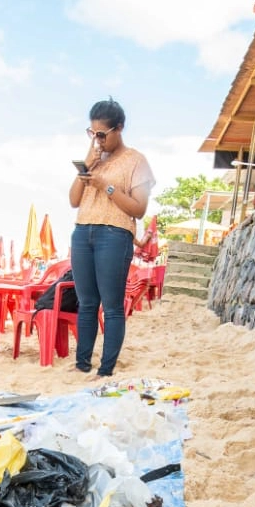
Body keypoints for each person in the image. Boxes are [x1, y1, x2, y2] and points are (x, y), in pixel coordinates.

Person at [68, 98, 154, 379]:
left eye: (102, 134)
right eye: (92, 133)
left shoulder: (136, 161)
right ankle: (82, 366)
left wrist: (106, 186)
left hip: (114, 233)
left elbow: (139, 209)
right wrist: (86, 169)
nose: (97, 140)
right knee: (87, 303)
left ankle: (106, 370)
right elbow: (73, 200)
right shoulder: (94, 158)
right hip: (83, 230)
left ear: (120, 128)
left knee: (113, 305)